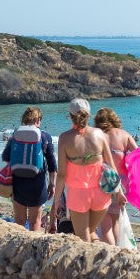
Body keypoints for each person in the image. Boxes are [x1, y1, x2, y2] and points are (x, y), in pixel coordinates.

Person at [56, 98, 117, 243]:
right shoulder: (99, 134)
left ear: (70, 116)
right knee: (91, 232)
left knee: (82, 239)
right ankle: (101, 262)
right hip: (101, 193)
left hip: (78, 195)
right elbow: (111, 166)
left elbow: (62, 174)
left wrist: (56, 201)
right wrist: (119, 192)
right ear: (89, 115)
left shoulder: (65, 138)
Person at [0, 106, 58, 231]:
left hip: (18, 182)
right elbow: (52, 164)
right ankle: (33, 250)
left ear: (24, 119)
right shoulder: (45, 136)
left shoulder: (15, 134)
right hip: (37, 183)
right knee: (35, 223)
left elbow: (5, 156)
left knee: (19, 222)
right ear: (38, 120)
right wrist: (52, 185)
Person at [94, 107, 137, 246]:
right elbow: (139, 156)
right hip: (121, 184)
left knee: (105, 226)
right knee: (116, 221)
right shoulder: (124, 135)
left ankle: (109, 253)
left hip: (101, 182)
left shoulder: (96, 135)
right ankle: (117, 251)